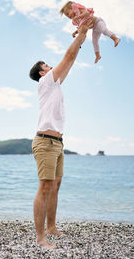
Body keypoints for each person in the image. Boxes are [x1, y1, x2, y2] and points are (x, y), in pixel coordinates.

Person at [29, 19, 93, 250]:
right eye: (47, 65)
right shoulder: (46, 82)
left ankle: (52, 227)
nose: (51, 67)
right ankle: (40, 238)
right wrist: (80, 35)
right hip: (45, 143)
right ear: (41, 72)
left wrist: (82, 37)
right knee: (44, 187)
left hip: (57, 143)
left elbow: (70, 61)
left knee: (55, 185)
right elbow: (67, 58)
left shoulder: (55, 85)